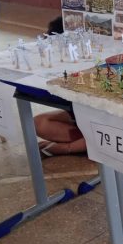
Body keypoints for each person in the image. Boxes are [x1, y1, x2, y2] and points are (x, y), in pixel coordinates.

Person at [34, 17, 87, 157]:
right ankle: (84, 142)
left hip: (106, 126)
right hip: (82, 118)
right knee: (38, 123)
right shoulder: (64, 69)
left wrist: (65, 148)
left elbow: (112, 127)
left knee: (104, 134)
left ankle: (82, 145)